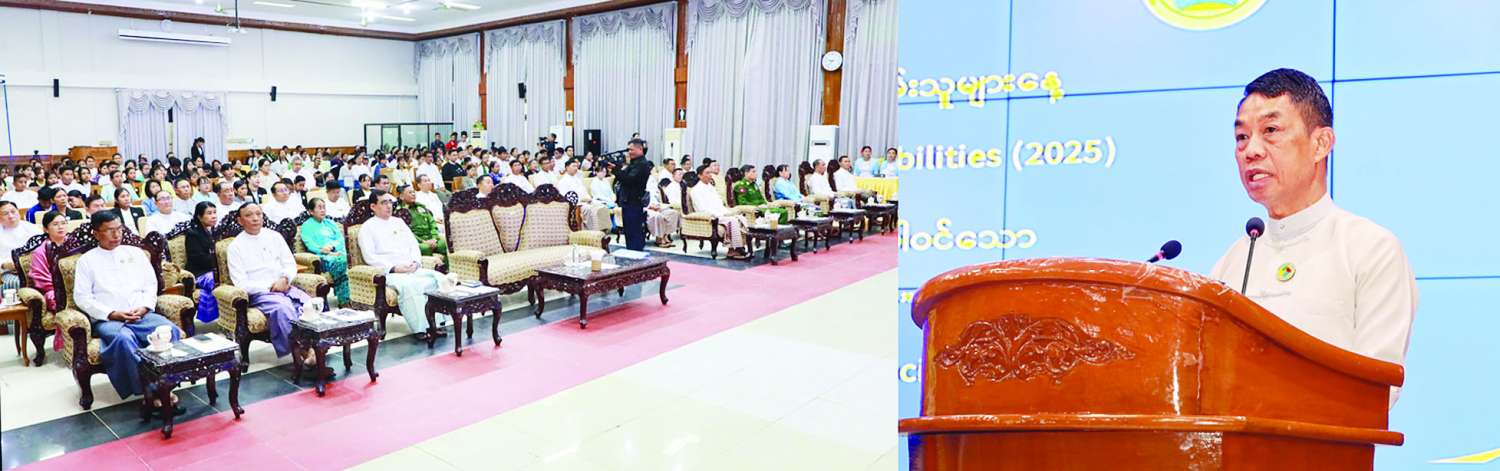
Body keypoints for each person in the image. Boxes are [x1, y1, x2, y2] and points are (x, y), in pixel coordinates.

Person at [1209, 69, 1416, 406]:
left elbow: (1378, 389)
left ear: (1321, 144)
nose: (1251, 150)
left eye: (1270, 131)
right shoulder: (1232, 263)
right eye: (1241, 137)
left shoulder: (1370, 248)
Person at [73, 211, 181, 403]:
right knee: (123, 340)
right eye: (109, 230)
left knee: (169, 330)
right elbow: (82, 297)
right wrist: (112, 313)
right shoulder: (86, 261)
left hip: (141, 314)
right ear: (96, 233)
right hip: (109, 319)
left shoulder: (136, 253)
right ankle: (149, 390)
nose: (116, 235)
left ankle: (168, 383)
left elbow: (151, 285)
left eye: (119, 229)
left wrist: (145, 307)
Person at [227, 203, 315, 360]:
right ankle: (302, 352)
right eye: (249, 215)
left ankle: (316, 346)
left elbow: (289, 263)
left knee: (310, 304)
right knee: (283, 308)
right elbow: (240, 282)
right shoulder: (235, 246)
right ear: (240, 221)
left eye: (258, 214)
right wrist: (271, 286)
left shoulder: (275, 236)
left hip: (285, 286)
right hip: (260, 293)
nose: (255, 218)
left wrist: (285, 278)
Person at [358, 190, 446, 339]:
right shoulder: (367, 227)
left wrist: (415, 262)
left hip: (411, 268)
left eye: (390, 202)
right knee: (411, 286)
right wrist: (394, 268)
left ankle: (436, 324)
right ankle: (420, 329)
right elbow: (369, 256)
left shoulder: (399, 222)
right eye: (383, 203)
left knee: (437, 279)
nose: (388, 206)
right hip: (390, 272)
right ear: (373, 206)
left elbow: (413, 245)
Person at [686, 169, 750, 259]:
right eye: (707, 173)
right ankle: (735, 249)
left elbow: (719, 203)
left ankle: (737, 248)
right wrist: (721, 214)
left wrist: (726, 212)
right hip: (710, 216)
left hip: (721, 213)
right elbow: (702, 208)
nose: (710, 175)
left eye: (710, 173)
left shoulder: (711, 187)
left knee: (740, 218)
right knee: (732, 220)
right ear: (700, 176)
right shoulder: (696, 190)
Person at [299, 198, 349, 305]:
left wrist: (333, 247)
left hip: (336, 253)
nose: (323, 210)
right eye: (319, 208)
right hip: (322, 257)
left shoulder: (330, 223)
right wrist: (323, 250)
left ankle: (344, 298)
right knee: (341, 263)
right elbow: (309, 243)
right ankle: (344, 300)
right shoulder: (306, 226)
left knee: (343, 260)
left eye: (324, 207)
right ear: (311, 211)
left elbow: (340, 239)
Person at [615, 139, 654, 251]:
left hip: (634, 201)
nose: (629, 152)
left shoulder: (641, 164)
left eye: (631, 150)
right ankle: (632, 252)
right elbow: (625, 176)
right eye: (628, 150)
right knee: (629, 231)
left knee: (634, 231)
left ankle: (636, 253)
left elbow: (629, 180)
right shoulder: (634, 163)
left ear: (640, 149)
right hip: (628, 201)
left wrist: (616, 170)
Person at [184, 202, 220, 322]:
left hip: (216, 269)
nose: (213, 216)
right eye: (209, 213)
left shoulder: (218, 231)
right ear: (199, 217)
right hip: (200, 272)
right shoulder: (193, 234)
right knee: (216, 279)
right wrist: (219, 263)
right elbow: (198, 258)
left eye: (214, 212)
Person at [0, 201, 43, 291]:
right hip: (10, 272)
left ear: (18, 212)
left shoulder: (32, 228)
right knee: (15, 283)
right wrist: (3, 265)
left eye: (13, 211)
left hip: (36, 269)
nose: (11, 216)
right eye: (5, 214)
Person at [398, 184, 448, 262]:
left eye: (413, 192)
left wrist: (434, 238)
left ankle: (447, 267)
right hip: (417, 241)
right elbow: (407, 232)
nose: (413, 194)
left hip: (430, 238)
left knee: (443, 244)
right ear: (401, 196)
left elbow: (432, 223)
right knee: (425, 248)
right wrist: (423, 241)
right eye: (410, 192)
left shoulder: (421, 207)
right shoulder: (401, 212)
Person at [647, 178, 681, 247]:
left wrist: (658, 206)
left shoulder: (654, 187)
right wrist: (650, 207)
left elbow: (656, 200)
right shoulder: (638, 188)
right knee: (658, 216)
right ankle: (659, 238)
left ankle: (665, 235)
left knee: (673, 213)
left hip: (657, 206)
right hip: (646, 209)